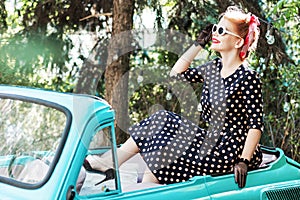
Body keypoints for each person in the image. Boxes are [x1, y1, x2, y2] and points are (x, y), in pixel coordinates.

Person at [84, 6, 264, 189]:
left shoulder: (247, 77)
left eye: (222, 31)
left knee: (166, 148)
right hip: (212, 141)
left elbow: (255, 125)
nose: (215, 33)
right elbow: (176, 74)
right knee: (162, 119)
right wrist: (198, 44)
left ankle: (116, 167)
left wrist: (244, 160)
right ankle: (116, 166)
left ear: (238, 42)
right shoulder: (214, 68)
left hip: (230, 152)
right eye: (215, 28)